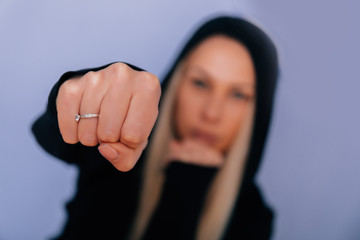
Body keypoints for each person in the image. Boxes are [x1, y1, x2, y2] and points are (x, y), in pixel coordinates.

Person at [32, 15, 279, 240]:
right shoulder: (118, 150)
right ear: (175, 83)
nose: (211, 113)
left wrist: (187, 182)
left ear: (258, 112)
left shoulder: (254, 217)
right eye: (201, 83)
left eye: (238, 94)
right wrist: (78, 92)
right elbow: (49, 135)